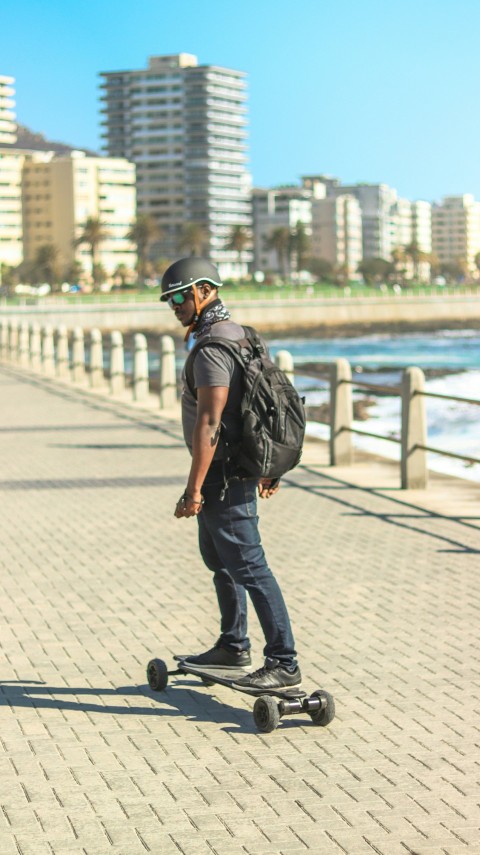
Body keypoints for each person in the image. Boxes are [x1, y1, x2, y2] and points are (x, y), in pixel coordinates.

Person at [160, 257, 301, 692]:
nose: (175, 305)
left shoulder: (211, 350)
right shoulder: (242, 335)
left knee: (250, 567)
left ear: (205, 291)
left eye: (181, 296)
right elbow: (263, 405)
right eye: (169, 300)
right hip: (236, 469)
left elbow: (210, 422)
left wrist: (193, 490)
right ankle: (233, 644)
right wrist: (268, 464)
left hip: (222, 476)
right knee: (220, 561)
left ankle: (284, 661)